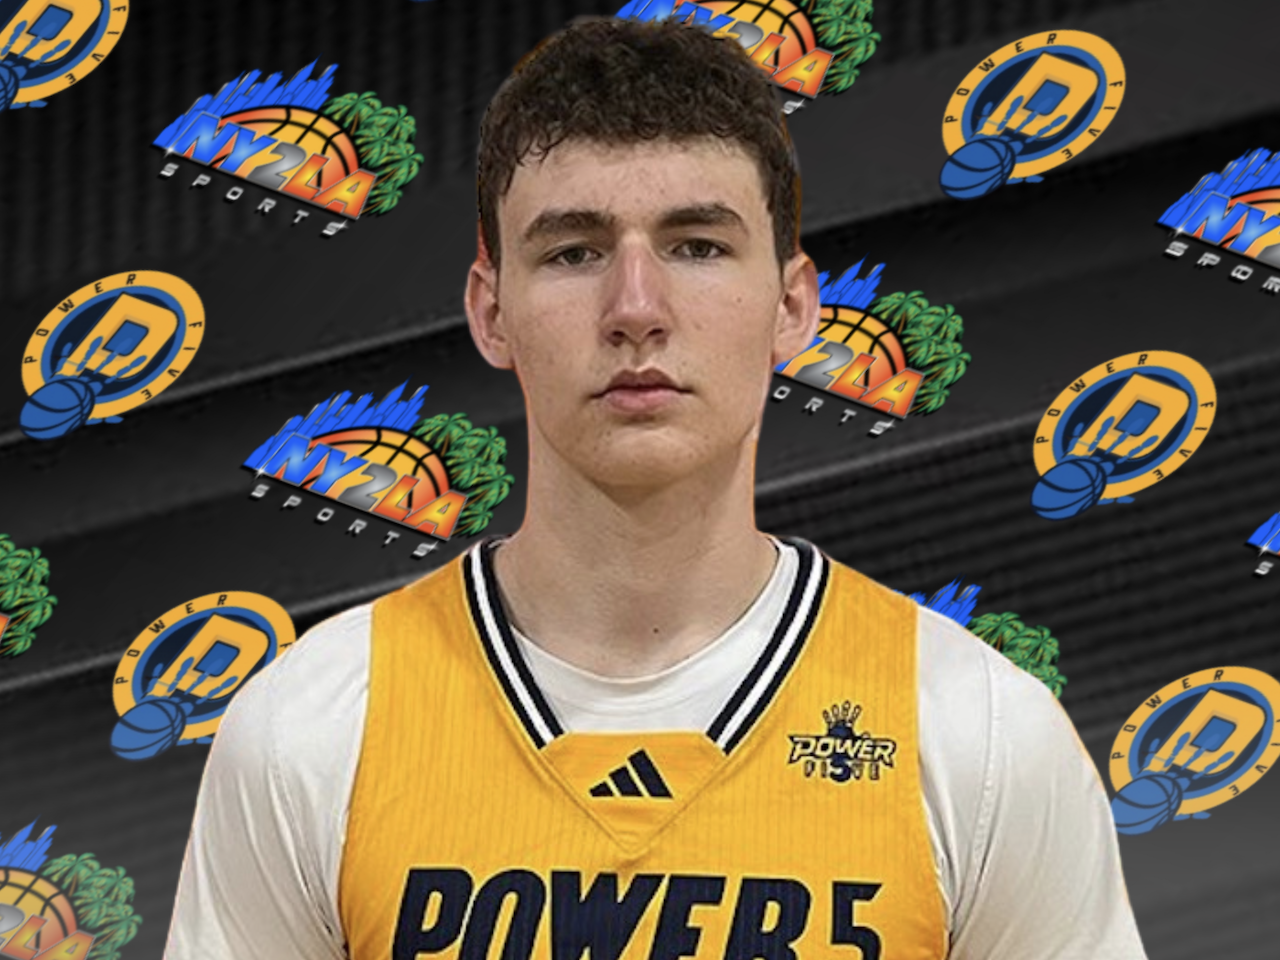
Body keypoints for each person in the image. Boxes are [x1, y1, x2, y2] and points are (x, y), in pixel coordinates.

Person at [164, 16, 1148, 960]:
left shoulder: (976, 734)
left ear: (793, 305)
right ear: (491, 311)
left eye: (696, 246)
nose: (635, 308)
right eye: (573, 252)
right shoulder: (313, 727)